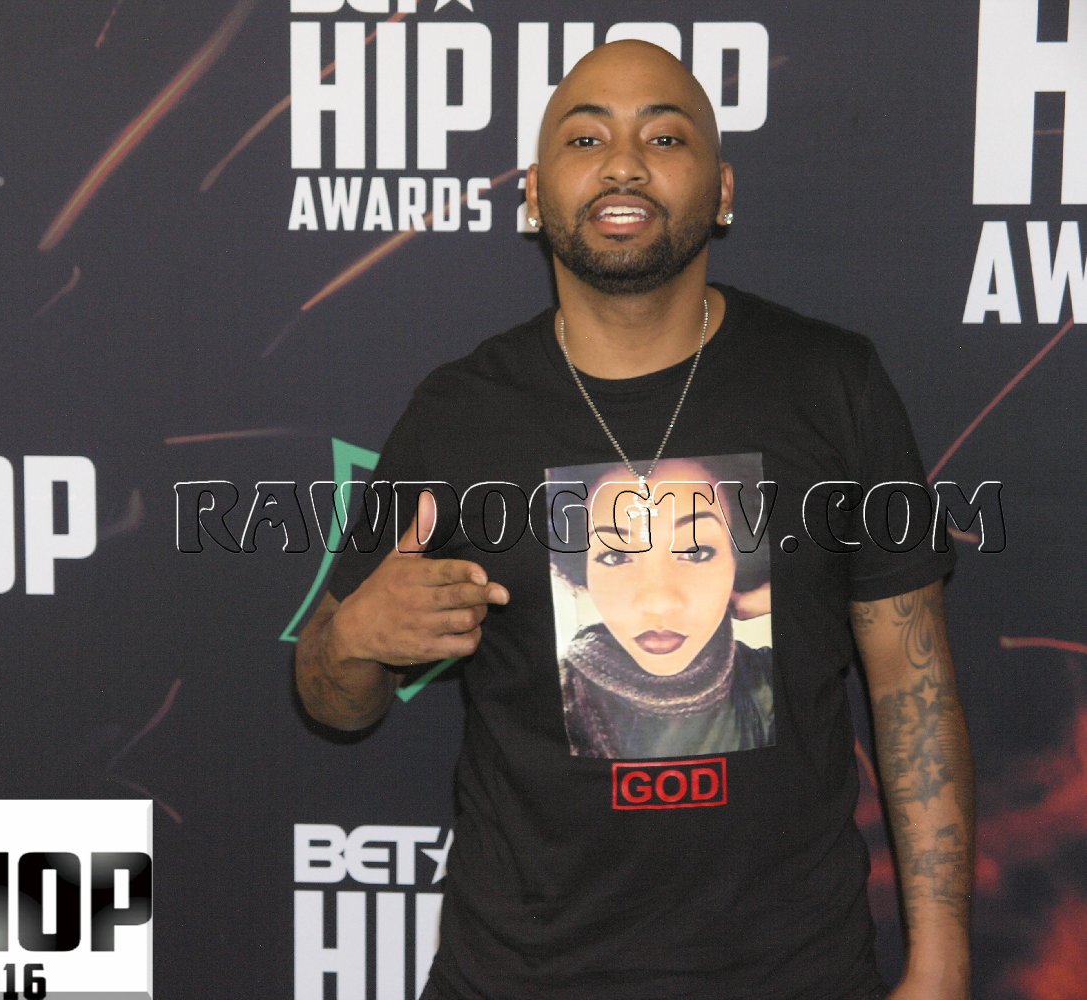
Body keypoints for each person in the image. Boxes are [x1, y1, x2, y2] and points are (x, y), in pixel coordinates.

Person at [295, 39, 973, 1000]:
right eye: (585, 138)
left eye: (663, 136)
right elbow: (331, 696)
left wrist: (940, 962)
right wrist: (356, 637)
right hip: (522, 979)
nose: (622, 164)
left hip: (796, 974)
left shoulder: (831, 384)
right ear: (535, 196)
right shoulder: (457, 415)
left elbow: (912, 682)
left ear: (721, 191)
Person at [551, 456, 774, 759]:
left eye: (696, 552)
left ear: (739, 562)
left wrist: (760, 598)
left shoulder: (769, 681)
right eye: (615, 556)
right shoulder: (546, 693)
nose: (658, 603)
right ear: (583, 568)